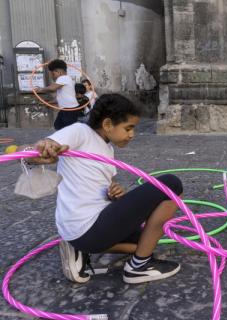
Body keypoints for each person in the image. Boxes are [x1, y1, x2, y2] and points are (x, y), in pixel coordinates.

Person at [18, 94, 183, 284]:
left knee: (147, 241)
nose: (132, 134)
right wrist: (42, 148)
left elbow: (96, 185)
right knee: (171, 184)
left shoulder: (107, 149)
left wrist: (113, 192)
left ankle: (80, 248)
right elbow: (36, 149)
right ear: (107, 125)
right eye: (128, 128)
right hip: (88, 227)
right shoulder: (80, 132)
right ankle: (138, 268)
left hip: (86, 232)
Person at [33, 59, 82, 130]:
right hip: (67, 109)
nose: (52, 77)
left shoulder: (63, 78)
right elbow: (59, 98)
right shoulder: (66, 79)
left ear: (59, 72)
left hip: (69, 109)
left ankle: (71, 140)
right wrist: (48, 103)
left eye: (53, 74)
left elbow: (52, 88)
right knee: (58, 125)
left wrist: (40, 89)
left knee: (68, 129)